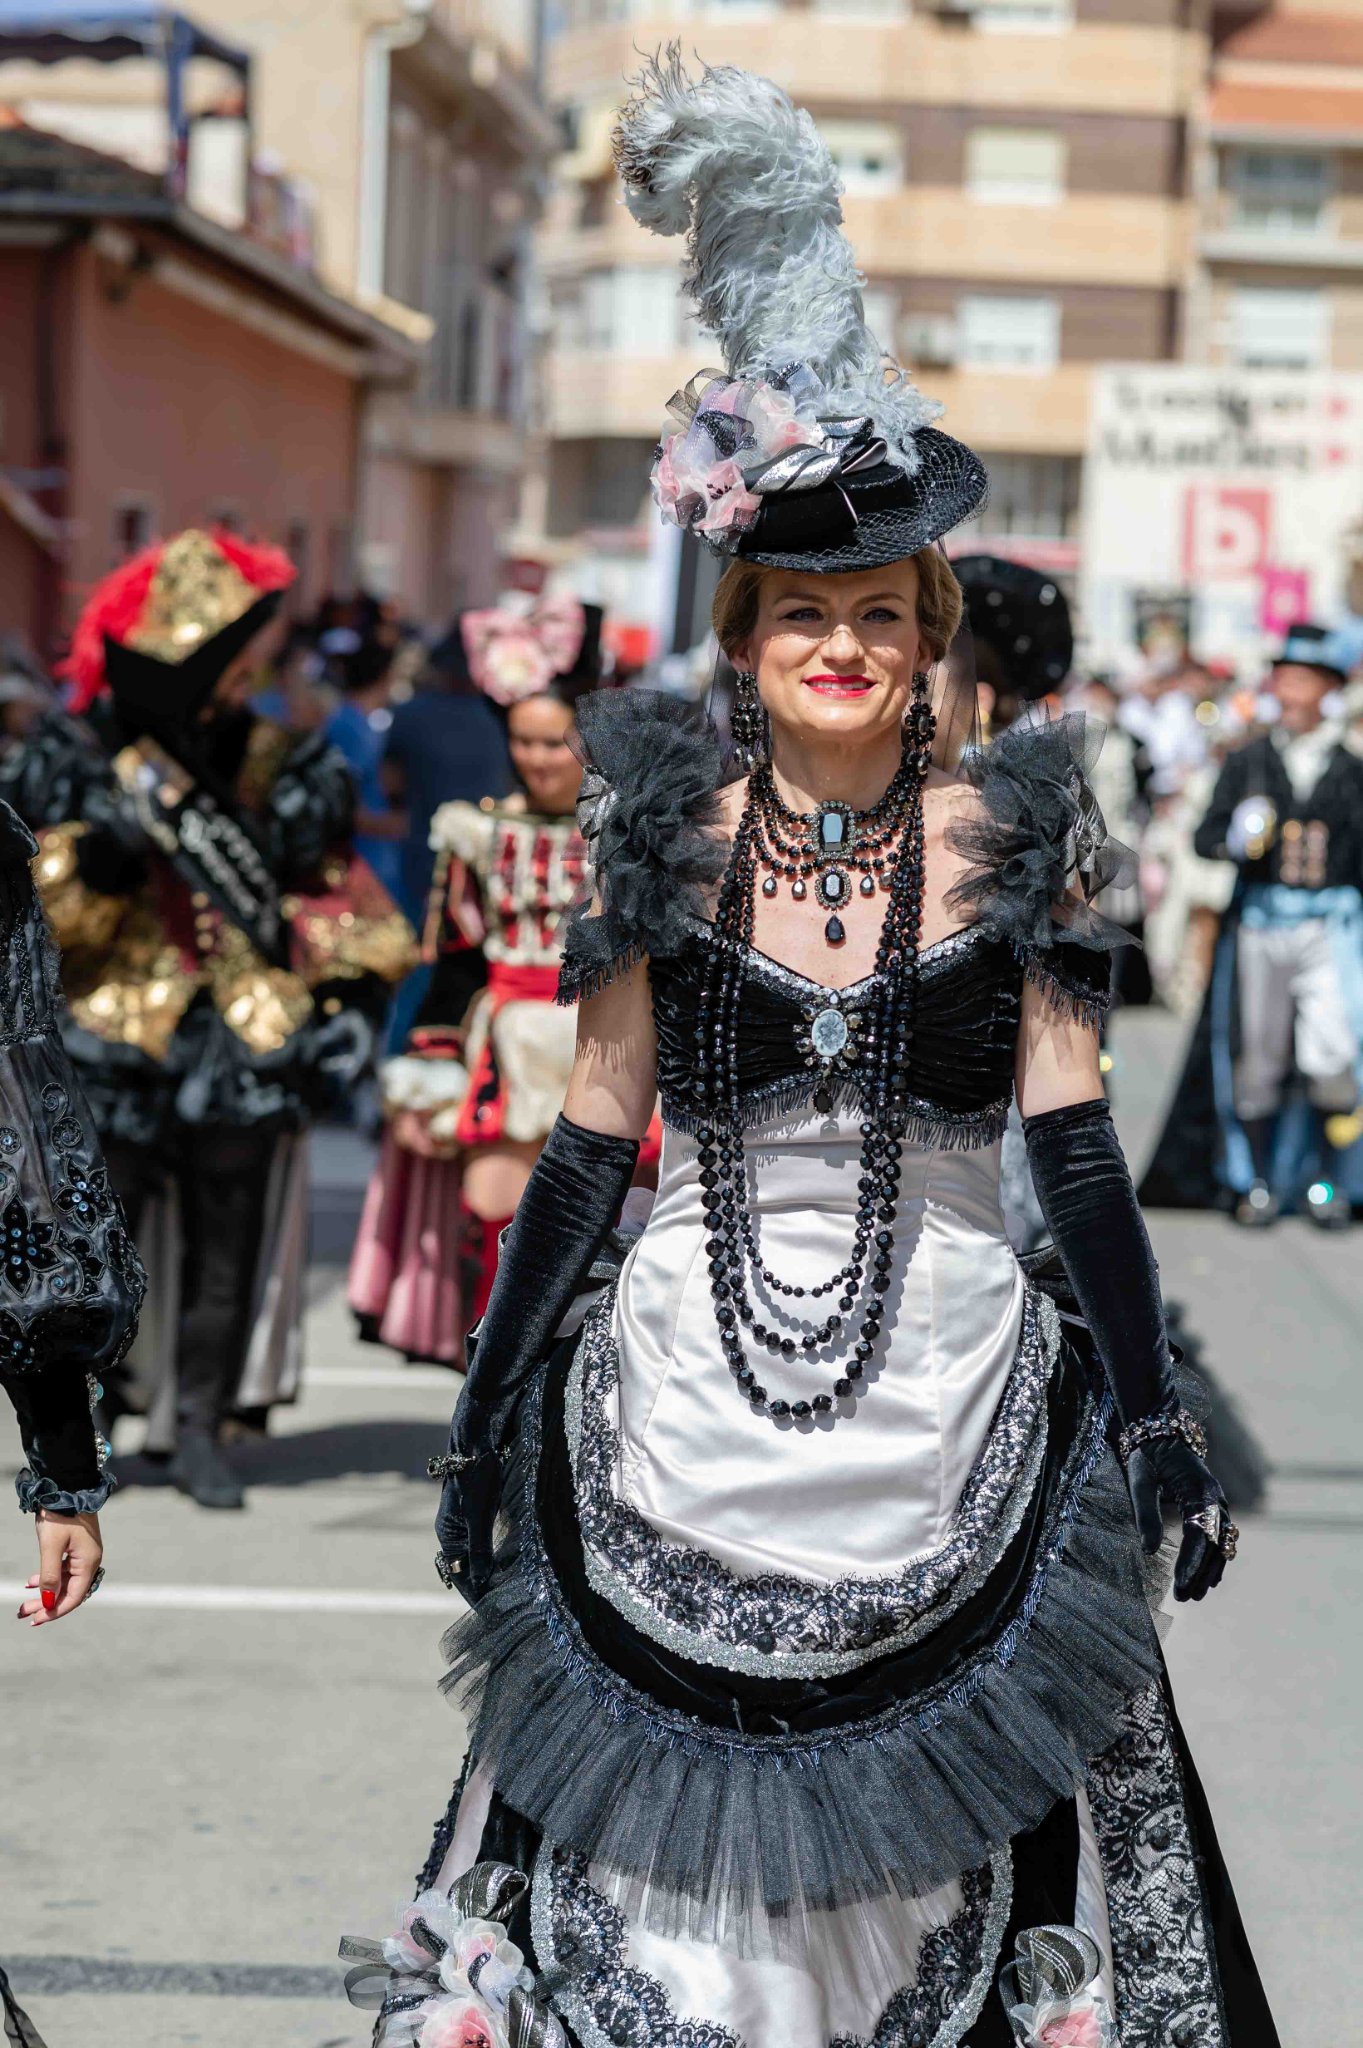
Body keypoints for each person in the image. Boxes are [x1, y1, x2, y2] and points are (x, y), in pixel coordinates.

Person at [348, 55, 1275, 2048]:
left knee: (982, 1848)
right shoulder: (659, 835)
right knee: (638, 1863)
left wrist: (1152, 1413)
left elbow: (1073, 1149)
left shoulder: (1023, 837)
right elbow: (591, 1141)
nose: (839, 647)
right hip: (682, 1390)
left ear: (927, 633)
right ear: (747, 636)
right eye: (800, 617)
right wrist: (486, 1409)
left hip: (952, 1379)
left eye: (876, 613)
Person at [1, 528, 415, 1509]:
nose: (243, 675)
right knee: (90, 1245)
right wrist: (90, 862)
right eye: (223, 659)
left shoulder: (282, 760)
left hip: (243, 1035)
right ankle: (96, 1423)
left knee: (227, 1244)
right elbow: (28, 914)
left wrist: (352, 998)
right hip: (108, 1031)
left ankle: (199, 1428)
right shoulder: (80, 754)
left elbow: (329, 893)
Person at [348, 606, 605, 1367]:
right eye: (523, 741)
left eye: (554, 742)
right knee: (495, 1208)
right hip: (508, 1042)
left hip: (603, 1045)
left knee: (603, 1220)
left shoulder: (628, 832)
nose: (537, 759)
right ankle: (494, 1375)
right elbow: (454, 961)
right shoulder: (477, 831)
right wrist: (427, 1069)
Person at [1140, 622, 1363, 1224]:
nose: (1287, 691)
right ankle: (1255, 1180)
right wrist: (1236, 839)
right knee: (1257, 1057)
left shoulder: (1350, 767)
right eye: (1282, 678)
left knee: (1332, 1058)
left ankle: (1327, 1182)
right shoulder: (1250, 761)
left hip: (1331, 930)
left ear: (1327, 689)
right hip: (1262, 924)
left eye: (1301, 679)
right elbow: (1206, 837)